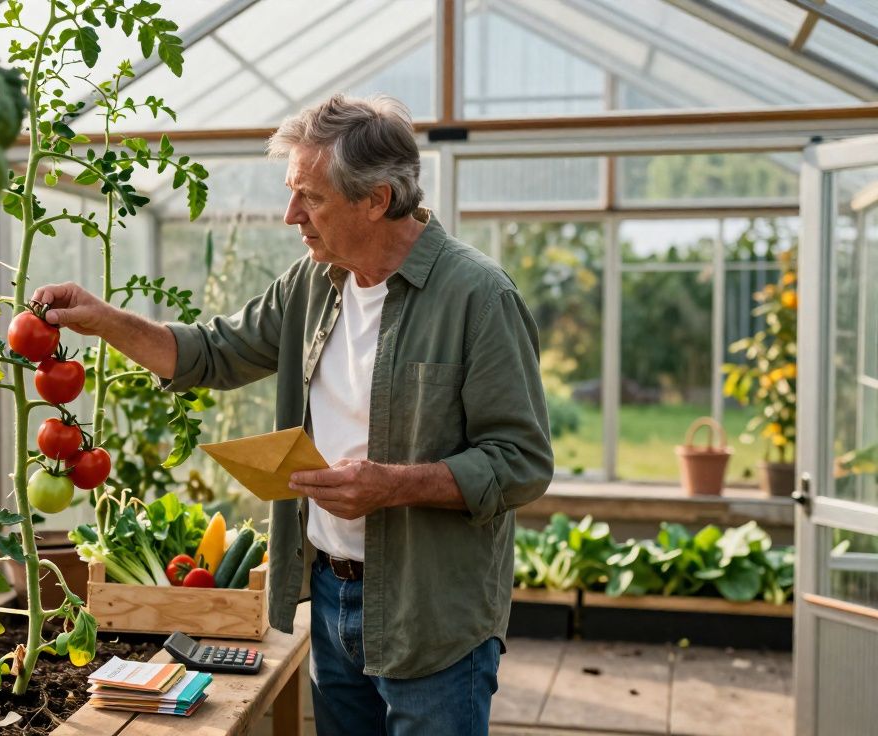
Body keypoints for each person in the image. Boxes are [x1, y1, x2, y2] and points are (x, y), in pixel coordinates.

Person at [32, 94, 554, 736]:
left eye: (311, 197)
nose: (290, 216)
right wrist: (101, 317)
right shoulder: (311, 283)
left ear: (377, 199)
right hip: (332, 599)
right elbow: (211, 354)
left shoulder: (478, 296)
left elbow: (521, 462)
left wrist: (393, 486)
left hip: (432, 613)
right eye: (291, 192)